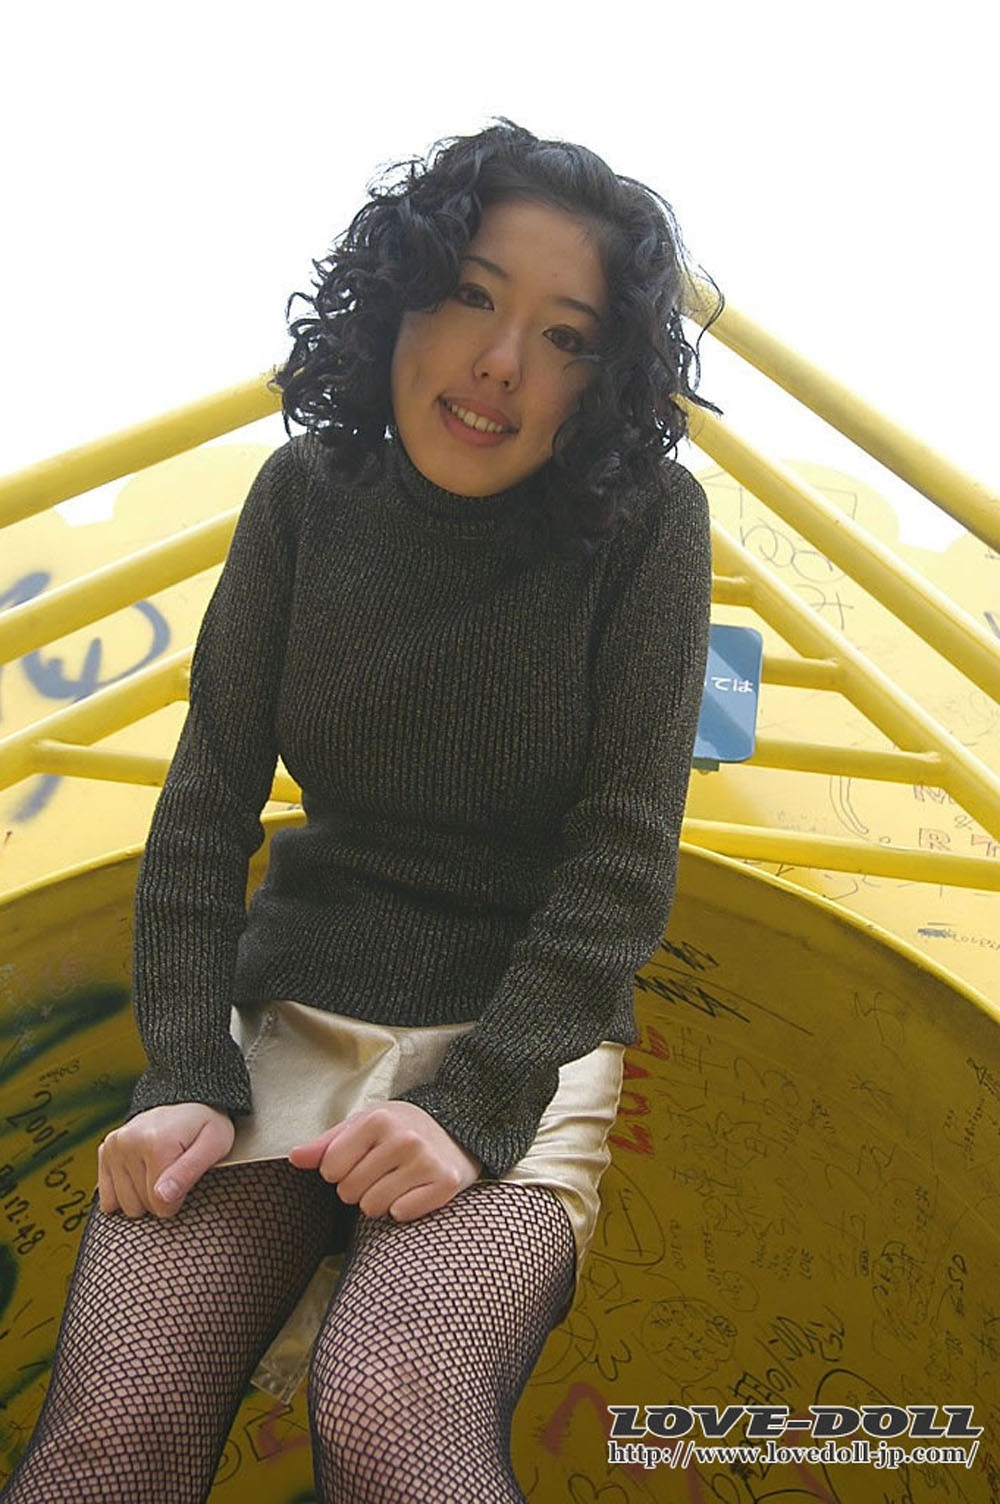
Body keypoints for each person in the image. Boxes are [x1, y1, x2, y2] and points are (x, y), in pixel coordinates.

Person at [1, 117, 722, 1503]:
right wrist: (183, 1075)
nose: (502, 362)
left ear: (603, 380)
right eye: (470, 296)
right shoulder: (304, 496)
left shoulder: (649, 528)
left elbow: (622, 858)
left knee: (394, 1411)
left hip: (519, 1038)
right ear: (397, 297)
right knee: (112, 1430)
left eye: (566, 337)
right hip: (289, 1019)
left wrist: (478, 1104)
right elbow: (205, 808)